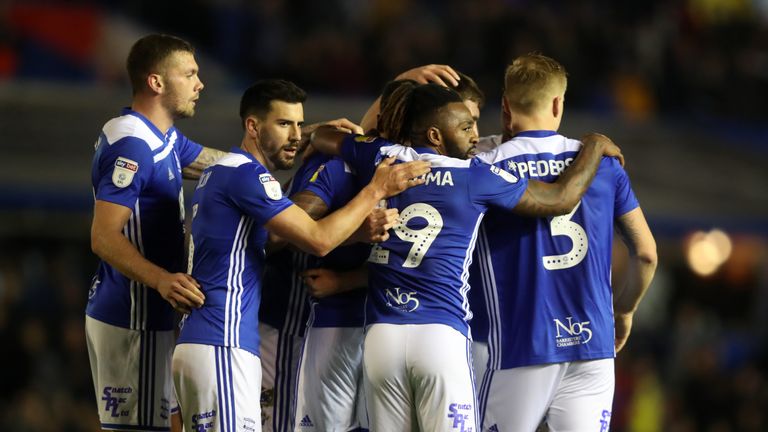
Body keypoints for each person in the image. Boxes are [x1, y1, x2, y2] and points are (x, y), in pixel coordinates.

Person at [310, 82, 622, 432]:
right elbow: (560, 200)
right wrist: (593, 147)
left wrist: (334, 134)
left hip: (382, 339)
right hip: (441, 337)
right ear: (435, 135)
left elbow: (324, 137)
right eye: (464, 127)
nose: (476, 135)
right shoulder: (476, 177)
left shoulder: (384, 157)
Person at [171, 79, 430, 432]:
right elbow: (317, 239)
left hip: (202, 340)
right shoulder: (249, 177)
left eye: (299, 124)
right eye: (284, 124)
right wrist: (376, 189)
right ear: (252, 126)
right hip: (223, 342)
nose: (296, 135)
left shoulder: (219, 171)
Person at [473, 54, 658, 431]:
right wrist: (623, 311)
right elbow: (646, 254)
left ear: (506, 107)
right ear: (558, 104)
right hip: (592, 348)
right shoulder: (604, 164)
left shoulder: (485, 167)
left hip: (517, 347)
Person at [86, 33, 226, 432]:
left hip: (151, 317)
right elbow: (103, 237)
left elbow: (227, 166)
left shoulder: (162, 137)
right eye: (190, 74)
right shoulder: (132, 145)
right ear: (157, 82)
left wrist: (294, 139)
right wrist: (162, 280)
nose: (199, 84)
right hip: (134, 319)